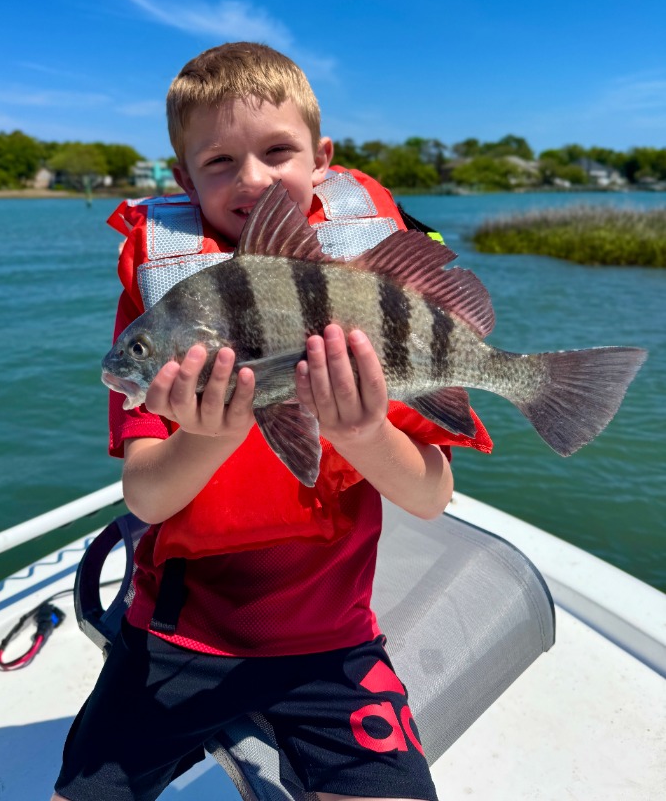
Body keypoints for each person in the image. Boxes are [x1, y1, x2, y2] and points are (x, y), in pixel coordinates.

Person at [52, 42, 491, 801]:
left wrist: (362, 433)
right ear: (184, 178)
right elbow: (147, 500)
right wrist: (211, 436)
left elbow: (429, 498)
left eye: (277, 151)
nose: (252, 178)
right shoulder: (168, 301)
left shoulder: (363, 277)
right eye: (219, 161)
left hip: (336, 644)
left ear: (322, 160)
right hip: (177, 637)